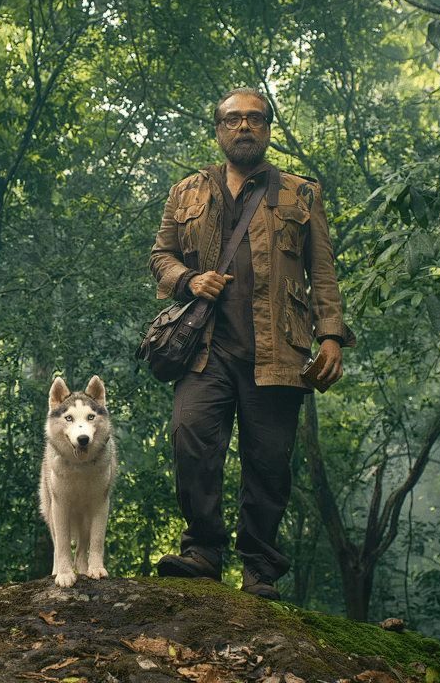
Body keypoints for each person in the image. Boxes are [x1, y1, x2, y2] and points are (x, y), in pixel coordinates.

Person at [148, 88, 354, 601]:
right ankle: (203, 552)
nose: (244, 127)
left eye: (255, 120)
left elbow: (322, 271)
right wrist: (187, 281)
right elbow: (161, 255)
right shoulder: (186, 192)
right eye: (233, 120)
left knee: (269, 460)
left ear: (267, 129)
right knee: (190, 435)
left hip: (278, 350)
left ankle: (260, 567)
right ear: (218, 130)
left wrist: (331, 335)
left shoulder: (301, 194)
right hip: (204, 347)